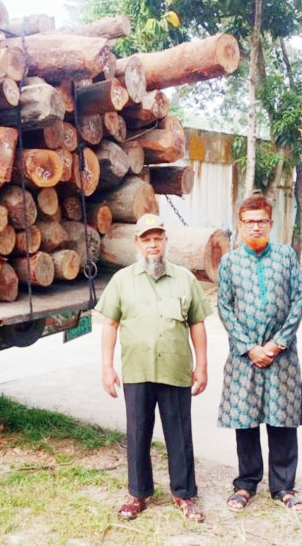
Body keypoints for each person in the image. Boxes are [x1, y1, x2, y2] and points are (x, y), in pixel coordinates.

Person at [97, 213, 211, 523]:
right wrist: (107, 368)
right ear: (137, 243)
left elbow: (197, 324)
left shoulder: (185, 278)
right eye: (146, 239)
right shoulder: (122, 280)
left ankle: (184, 494)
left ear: (165, 241)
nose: (152, 244)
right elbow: (110, 324)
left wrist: (202, 365)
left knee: (179, 433)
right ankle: (138, 493)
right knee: (137, 433)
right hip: (136, 370)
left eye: (157, 238)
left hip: (175, 370)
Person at [216, 195, 302, 513]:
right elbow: (224, 307)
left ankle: (283, 486)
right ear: (239, 225)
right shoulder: (229, 262)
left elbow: (298, 300)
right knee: (246, 420)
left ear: (271, 224)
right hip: (245, 357)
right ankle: (246, 483)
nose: (255, 226)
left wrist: (276, 344)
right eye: (249, 221)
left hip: (281, 357)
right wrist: (249, 347)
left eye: (261, 221)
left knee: (282, 420)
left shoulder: (286, 256)